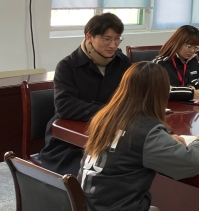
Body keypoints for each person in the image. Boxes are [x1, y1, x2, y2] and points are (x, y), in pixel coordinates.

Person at [78, 62, 199, 211]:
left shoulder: (104, 118)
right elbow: (191, 163)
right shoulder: (145, 130)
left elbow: (127, 143)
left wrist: (165, 139)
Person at [39, 13, 132, 176]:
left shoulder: (123, 62)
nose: (113, 45)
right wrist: (110, 111)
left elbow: (133, 96)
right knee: (95, 172)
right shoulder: (67, 66)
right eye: (107, 39)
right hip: (70, 141)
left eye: (117, 39)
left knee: (134, 164)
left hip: (112, 132)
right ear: (89, 37)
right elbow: (65, 107)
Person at [154, 25, 199, 101]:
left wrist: (192, 85)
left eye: (196, 47)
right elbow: (162, 90)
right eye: (189, 46)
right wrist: (191, 92)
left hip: (188, 106)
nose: (192, 51)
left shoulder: (192, 61)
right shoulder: (160, 64)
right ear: (177, 43)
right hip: (168, 106)